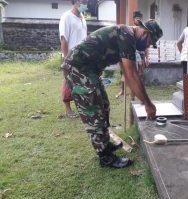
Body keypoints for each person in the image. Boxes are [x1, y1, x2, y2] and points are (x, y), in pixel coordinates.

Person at [61, 19, 163, 168]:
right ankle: (105, 157)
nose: (147, 45)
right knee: (94, 111)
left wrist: (143, 98)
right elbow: (132, 75)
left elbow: (127, 69)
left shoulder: (127, 37)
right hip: (78, 67)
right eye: (149, 42)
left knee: (104, 106)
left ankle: (105, 144)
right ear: (145, 32)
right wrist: (148, 104)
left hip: (90, 70)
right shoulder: (126, 35)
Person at [59, 0, 89, 118]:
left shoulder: (82, 17)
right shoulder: (66, 17)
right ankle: (67, 109)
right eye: (84, 2)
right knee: (68, 82)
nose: (86, 5)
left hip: (82, 57)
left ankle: (82, 106)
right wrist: (66, 60)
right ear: (76, 2)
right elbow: (63, 39)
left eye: (86, 2)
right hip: (70, 56)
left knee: (82, 82)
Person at [116, 10, 148, 98]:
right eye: (136, 18)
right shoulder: (129, 29)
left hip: (140, 55)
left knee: (139, 74)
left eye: (140, 19)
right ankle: (122, 91)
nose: (138, 20)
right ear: (133, 19)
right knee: (126, 74)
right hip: (130, 55)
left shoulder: (144, 30)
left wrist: (146, 57)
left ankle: (134, 94)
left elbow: (146, 46)